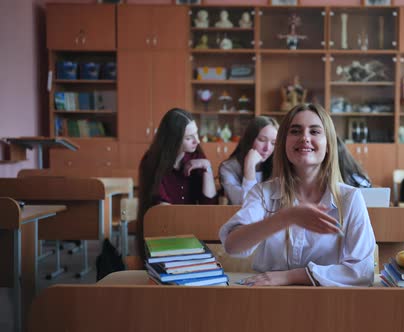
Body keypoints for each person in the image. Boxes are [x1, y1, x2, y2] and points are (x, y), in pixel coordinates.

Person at [219, 103, 376, 287]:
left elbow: (362, 272)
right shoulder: (263, 193)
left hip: (327, 303)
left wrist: (291, 276)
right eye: (295, 131)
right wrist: (286, 217)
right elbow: (232, 246)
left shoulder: (350, 198)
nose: (304, 138)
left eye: (315, 131)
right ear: (284, 142)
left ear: (328, 145)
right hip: (266, 300)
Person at [137, 108, 217, 258]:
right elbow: (162, 209)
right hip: (162, 233)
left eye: (196, 133)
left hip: (192, 233)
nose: (197, 141)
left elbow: (209, 204)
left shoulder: (196, 154)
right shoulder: (151, 161)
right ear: (173, 139)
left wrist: (207, 168)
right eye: (189, 137)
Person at [219, 116, 279, 205]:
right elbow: (247, 204)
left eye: (273, 143)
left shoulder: (277, 165)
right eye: (262, 140)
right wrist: (250, 166)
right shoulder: (228, 167)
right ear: (249, 140)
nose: (267, 148)